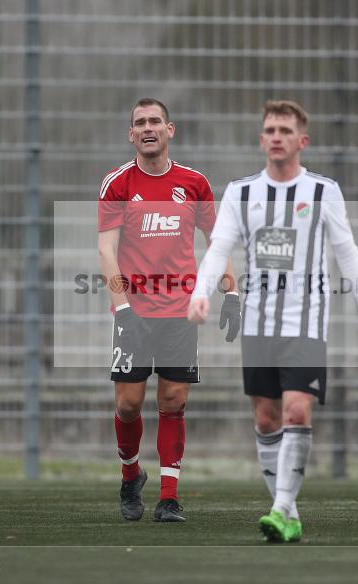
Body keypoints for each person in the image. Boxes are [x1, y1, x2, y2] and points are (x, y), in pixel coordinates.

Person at [188, 100, 358, 543]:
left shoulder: (323, 191)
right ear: (261, 140)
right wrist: (201, 294)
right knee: (265, 418)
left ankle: (278, 508)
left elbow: (348, 254)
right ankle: (290, 512)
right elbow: (219, 248)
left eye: (284, 129)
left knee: (297, 409)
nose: (276, 136)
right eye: (270, 129)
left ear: (302, 140)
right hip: (258, 324)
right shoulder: (241, 193)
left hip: (306, 322)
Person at [98, 98, 238, 523]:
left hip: (180, 310)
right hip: (133, 312)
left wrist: (232, 293)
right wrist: (122, 307)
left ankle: (169, 497)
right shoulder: (118, 184)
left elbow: (218, 241)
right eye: (139, 123)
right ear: (130, 134)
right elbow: (106, 249)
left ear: (170, 129)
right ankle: (129, 476)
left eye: (154, 121)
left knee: (174, 400)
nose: (147, 128)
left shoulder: (194, 183)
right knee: (128, 404)